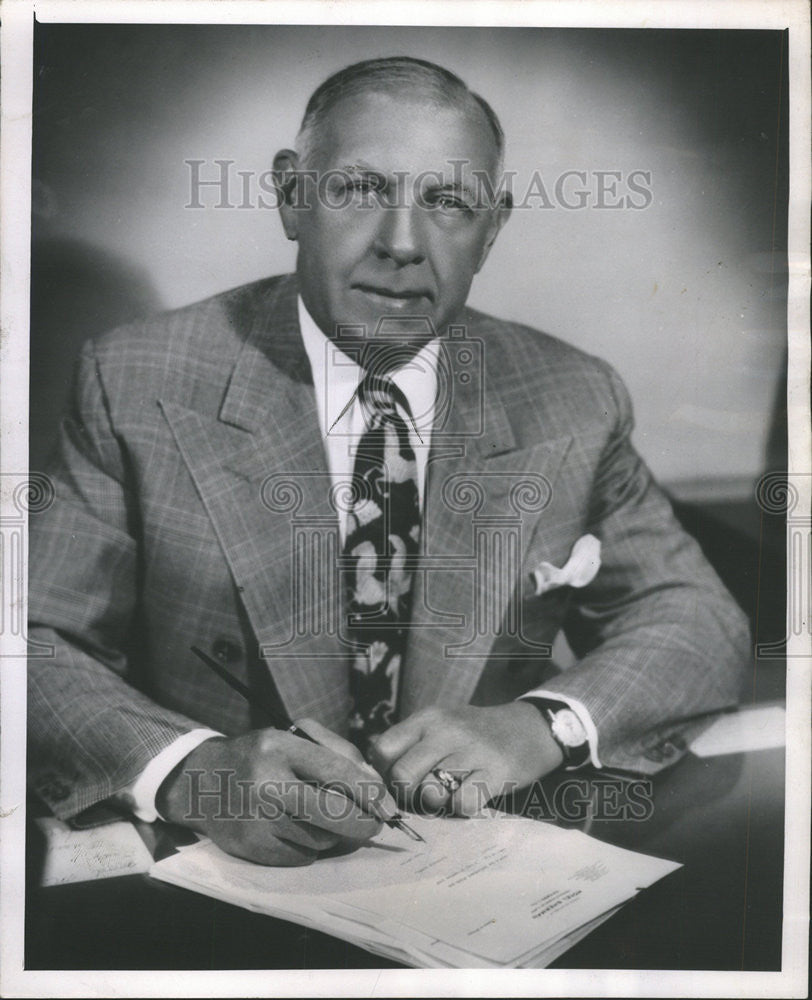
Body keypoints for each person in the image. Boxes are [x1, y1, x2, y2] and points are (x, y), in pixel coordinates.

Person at [28, 56, 749, 867]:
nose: (403, 244)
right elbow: (34, 639)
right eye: (360, 190)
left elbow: (697, 618)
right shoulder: (134, 379)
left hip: (471, 876)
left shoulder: (573, 395)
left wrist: (541, 725)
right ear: (292, 196)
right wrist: (191, 769)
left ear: (493, 228)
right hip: (222, 868)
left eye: (448, 203)